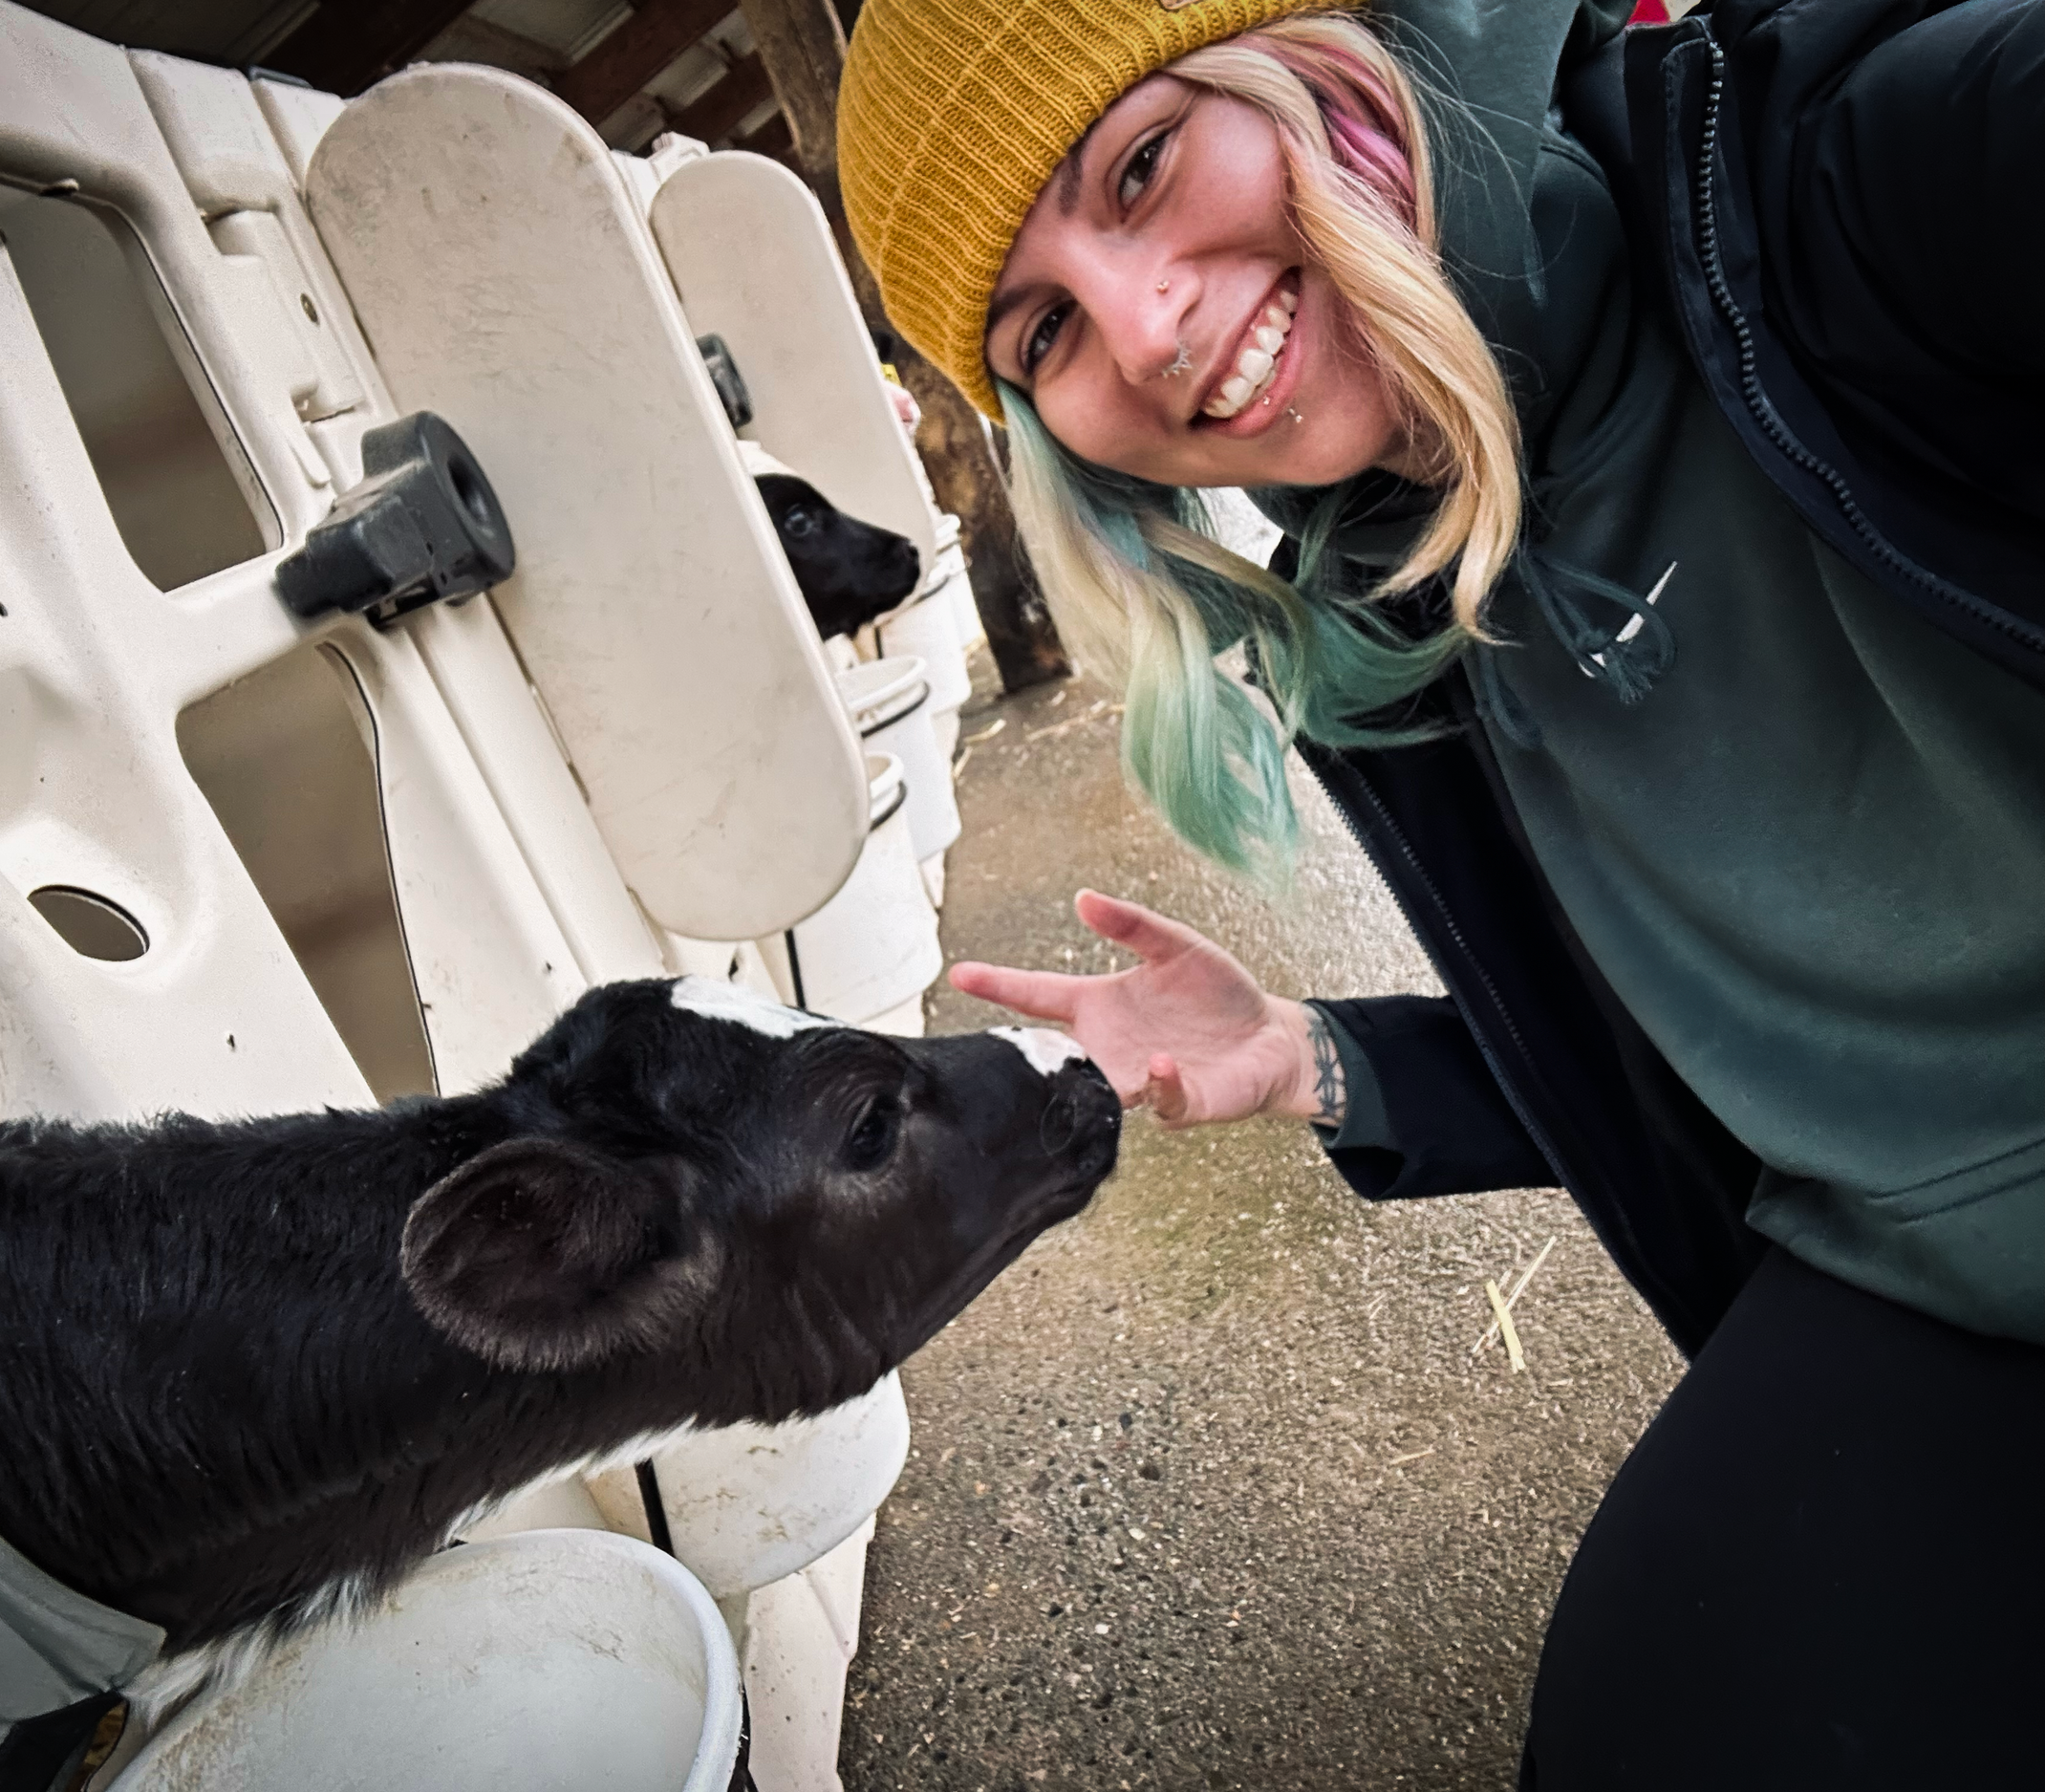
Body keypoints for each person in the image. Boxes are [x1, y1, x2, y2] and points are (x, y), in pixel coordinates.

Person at [836, 0, 2045, 1783]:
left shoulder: (1831, 182)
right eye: (1047, 333)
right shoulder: (1386, 608)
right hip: (1913, 1269)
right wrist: (1314, 1054)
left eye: (1148, 163)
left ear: (1311, 49)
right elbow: (1675, 1048)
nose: (1150, 330)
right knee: (1654, 1715)